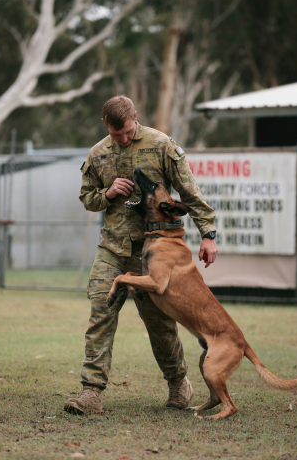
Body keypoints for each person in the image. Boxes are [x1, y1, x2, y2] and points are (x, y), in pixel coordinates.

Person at [64, 96, 218, 414]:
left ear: (135, 116)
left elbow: (189, 190)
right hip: (112, 249)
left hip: (152, 253)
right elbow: (87, 198)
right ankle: (91, 392)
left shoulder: (162, 145)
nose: (122, 139)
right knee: (100, 314)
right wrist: (106, 194)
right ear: (105, 125)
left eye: (127, 132)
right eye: (115, 134)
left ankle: (178, 384)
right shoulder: (98, 153)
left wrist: (208, 234)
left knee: (159, 324)